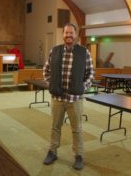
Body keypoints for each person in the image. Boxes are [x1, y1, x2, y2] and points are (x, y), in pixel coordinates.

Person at [43, 23, 94, 170]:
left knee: (77, 129)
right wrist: (51, 84)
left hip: (75, 100)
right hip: (57, 98)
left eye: (71, 33)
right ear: (63, 34)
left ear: (76, 34)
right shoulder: (55, 51)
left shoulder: (84, 52)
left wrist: (82, 87)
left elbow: (91, 73)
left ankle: (79, 155)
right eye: (66, 33)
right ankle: (52, 152)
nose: (69, 36)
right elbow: (46, 70)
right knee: (55, 127)